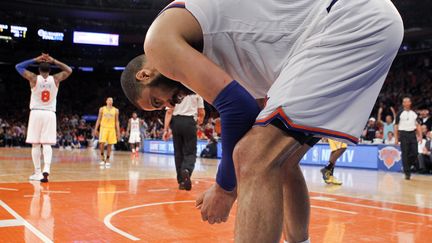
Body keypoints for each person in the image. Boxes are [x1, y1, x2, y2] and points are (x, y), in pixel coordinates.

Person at [121, 0, 403, 242]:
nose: (169, 105)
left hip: (347, 21)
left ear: (144, 75)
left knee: (254, 157)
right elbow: (250, 112)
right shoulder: (228, 55)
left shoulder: (158, 41)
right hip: (348, 26)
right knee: (280, 162)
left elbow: (238, 109)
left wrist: (225, 187)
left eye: (157, 101)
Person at [15, 53, 72, 182]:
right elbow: (69, 70)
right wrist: (54, 60)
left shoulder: (33, 78)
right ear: (50, 70)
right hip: (50, 114)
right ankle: (47, 168)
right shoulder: (56, 79)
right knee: (47, 144)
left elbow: (18, 66)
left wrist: (35, 59)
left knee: (35, 144)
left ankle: (37, 172)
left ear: (39, 70)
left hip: (36, 113)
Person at [162, 94, 205, 190]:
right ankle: (187, 170)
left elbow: (169, 112)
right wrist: (197, 122)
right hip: (189, 122)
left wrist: (166, 130)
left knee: (178, 153)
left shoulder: (173, 92)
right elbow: (201, 113)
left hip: (176, 122)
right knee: (190, 151)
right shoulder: (196, 92)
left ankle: (181, 181)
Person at [394, 97, 422, 180]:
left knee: (415, 153)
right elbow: (395, 126)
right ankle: (407, 173)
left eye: (407, 101)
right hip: (403, 134)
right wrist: (396, 138)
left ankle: (406, 166)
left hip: (412, 134)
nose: (406, 103)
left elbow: (418, 125)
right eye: (404, 102)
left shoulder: (414, 113)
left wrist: (420, 136)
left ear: (410, 103)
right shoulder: (399, 113)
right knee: (405, 153)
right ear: (403, 104)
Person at [94, 97, 120, 167]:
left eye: (111, 100)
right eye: (109, 100)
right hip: (103, 128)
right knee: (101, 143)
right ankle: (102, 158)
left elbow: (117, 121)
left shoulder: (116, 110)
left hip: (111, 129)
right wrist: (95, 129)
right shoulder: (102, 109)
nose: (110, 101)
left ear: (112, 102)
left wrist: (118, 131)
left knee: (110, 144)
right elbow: (98, 119)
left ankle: (108, 159)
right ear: (106, 101)